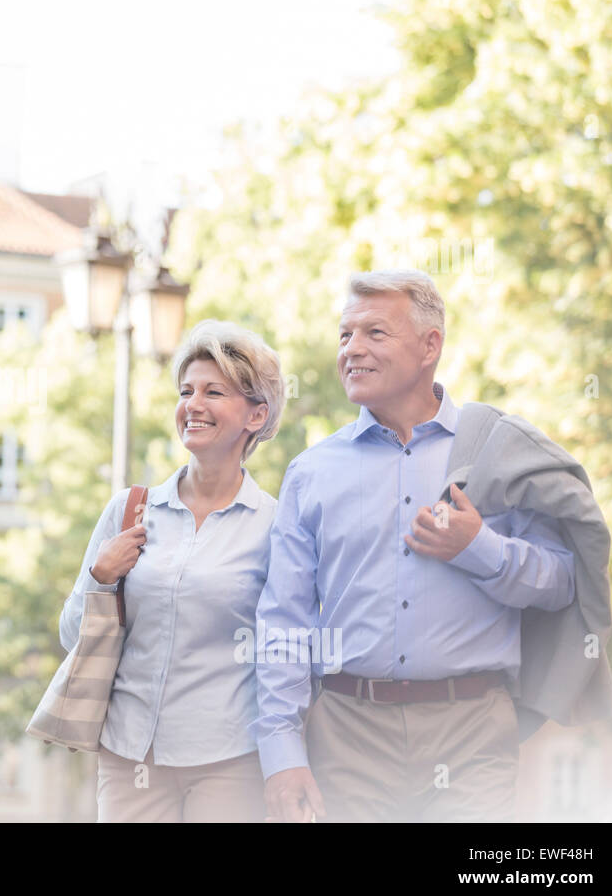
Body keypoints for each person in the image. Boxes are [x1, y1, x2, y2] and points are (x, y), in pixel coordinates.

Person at [253, 269, 578, 823]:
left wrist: (482, 549)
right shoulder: (311, 473)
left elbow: (564, 581)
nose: (352, 350)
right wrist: (281, 754)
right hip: (348, 733)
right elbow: (284, 621)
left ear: (431, 346)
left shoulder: (502, 450)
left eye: (374, 333)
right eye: (344, 335)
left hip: (473, 730)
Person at [60, 319, 285, 822]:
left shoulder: (275, 525)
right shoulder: (130, 510)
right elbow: (72, 636)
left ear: (256, 414)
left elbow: (288, 653)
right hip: (128, 754)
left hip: (229, 760)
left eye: (213, 391)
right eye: (186, 391)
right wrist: (100, 577)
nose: (193, 405)